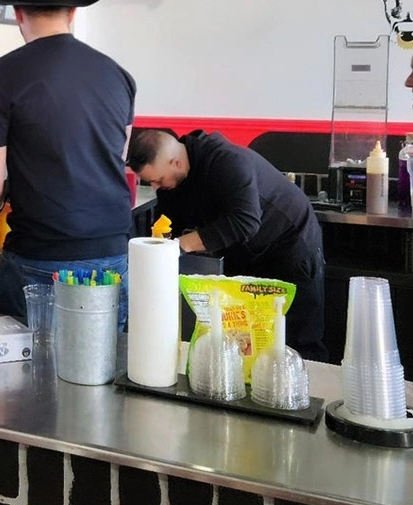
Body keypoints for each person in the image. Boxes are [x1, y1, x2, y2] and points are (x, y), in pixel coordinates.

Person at [0, 0, 137, 329]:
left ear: (18, 13)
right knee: (102, 370)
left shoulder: (0, 76)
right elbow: (116, 158)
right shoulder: (118, 75)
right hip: (111, 253)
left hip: (40, 257)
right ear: (73, 12)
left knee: (29, 377)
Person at [127, 129, 328, 361]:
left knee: (298, 339)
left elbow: (245, 221)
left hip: (290, 244)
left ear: (176, 162)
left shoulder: (227, 161)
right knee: (249, 336)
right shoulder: (172, 182)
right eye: (151, 182)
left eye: (159, 180)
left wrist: (180, 246)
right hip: (246, 252)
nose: (156, 187)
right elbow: (170, 223)